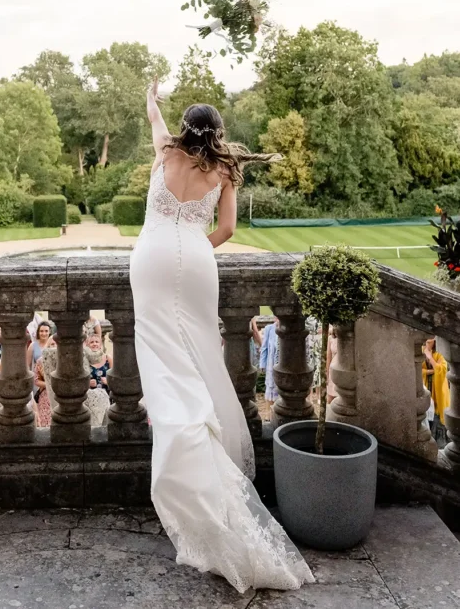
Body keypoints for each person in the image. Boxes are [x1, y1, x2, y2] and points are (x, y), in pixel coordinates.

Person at [129, 78, 313, 593]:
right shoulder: (227, 169)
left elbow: (154, 123)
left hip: (150, 261)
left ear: (184, 129)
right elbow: (227, 230)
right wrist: (194, 243)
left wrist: (151, 99)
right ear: (218, 132)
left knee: (164, 363)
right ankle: (208, 455)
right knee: (200, 359)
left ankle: (182, 448)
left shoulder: (166, 150)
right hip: (198, 261)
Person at [422, 338, 450, 446]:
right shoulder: (421, 350)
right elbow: (418, 369)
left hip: (438, 391)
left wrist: (430, 358)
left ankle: (439, 440)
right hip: (426, 387)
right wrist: (431, 370)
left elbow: (443, 370)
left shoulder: (440, 353)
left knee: (438, 415)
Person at [260, 317, 280, 406]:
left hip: (283, 363)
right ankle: (269, 415)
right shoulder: (269, 328)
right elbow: (264, 347)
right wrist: (262, 364)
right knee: (270, 388)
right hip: (271, 364)